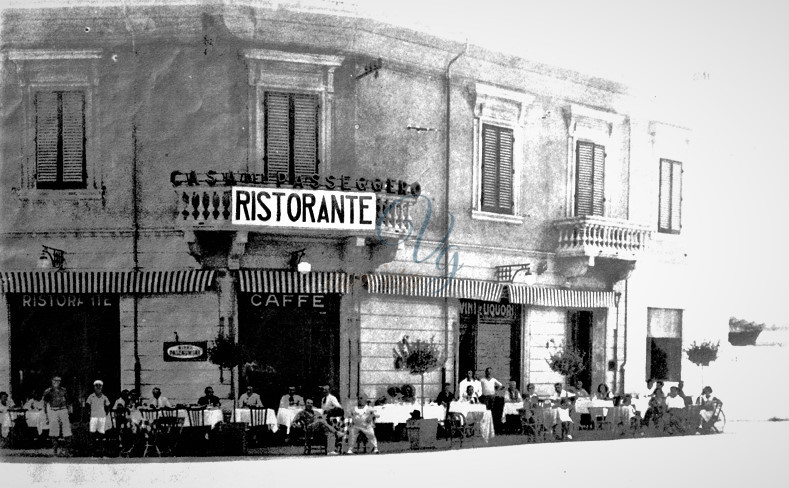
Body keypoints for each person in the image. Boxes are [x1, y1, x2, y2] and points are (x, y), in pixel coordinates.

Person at [43, 375, 72, 456]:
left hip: (63, 410)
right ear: (52, 381)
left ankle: (67, 450)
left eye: (58, 381)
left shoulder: (64, 390)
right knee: (54, 431)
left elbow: (68, 401)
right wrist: (46, 415)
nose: (56, 382)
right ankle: (55, 450)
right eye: (55, 380)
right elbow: (45, 404)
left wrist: (68, 411)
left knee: (67, 430)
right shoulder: (48, 391)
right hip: (53, 410)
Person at [85, 380, 111, 455]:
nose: (98, 387)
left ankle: (101, 450)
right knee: (92, 434)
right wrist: (88, 413)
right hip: (93, 417)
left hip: (101, 417)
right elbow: (87, 405)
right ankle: (93, 450)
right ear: (94, 387)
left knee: (101, 434)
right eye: (97, 386)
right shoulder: (91, 396)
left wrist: (106, 413)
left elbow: (108, 406)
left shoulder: (104, 397)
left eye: (100, 386)